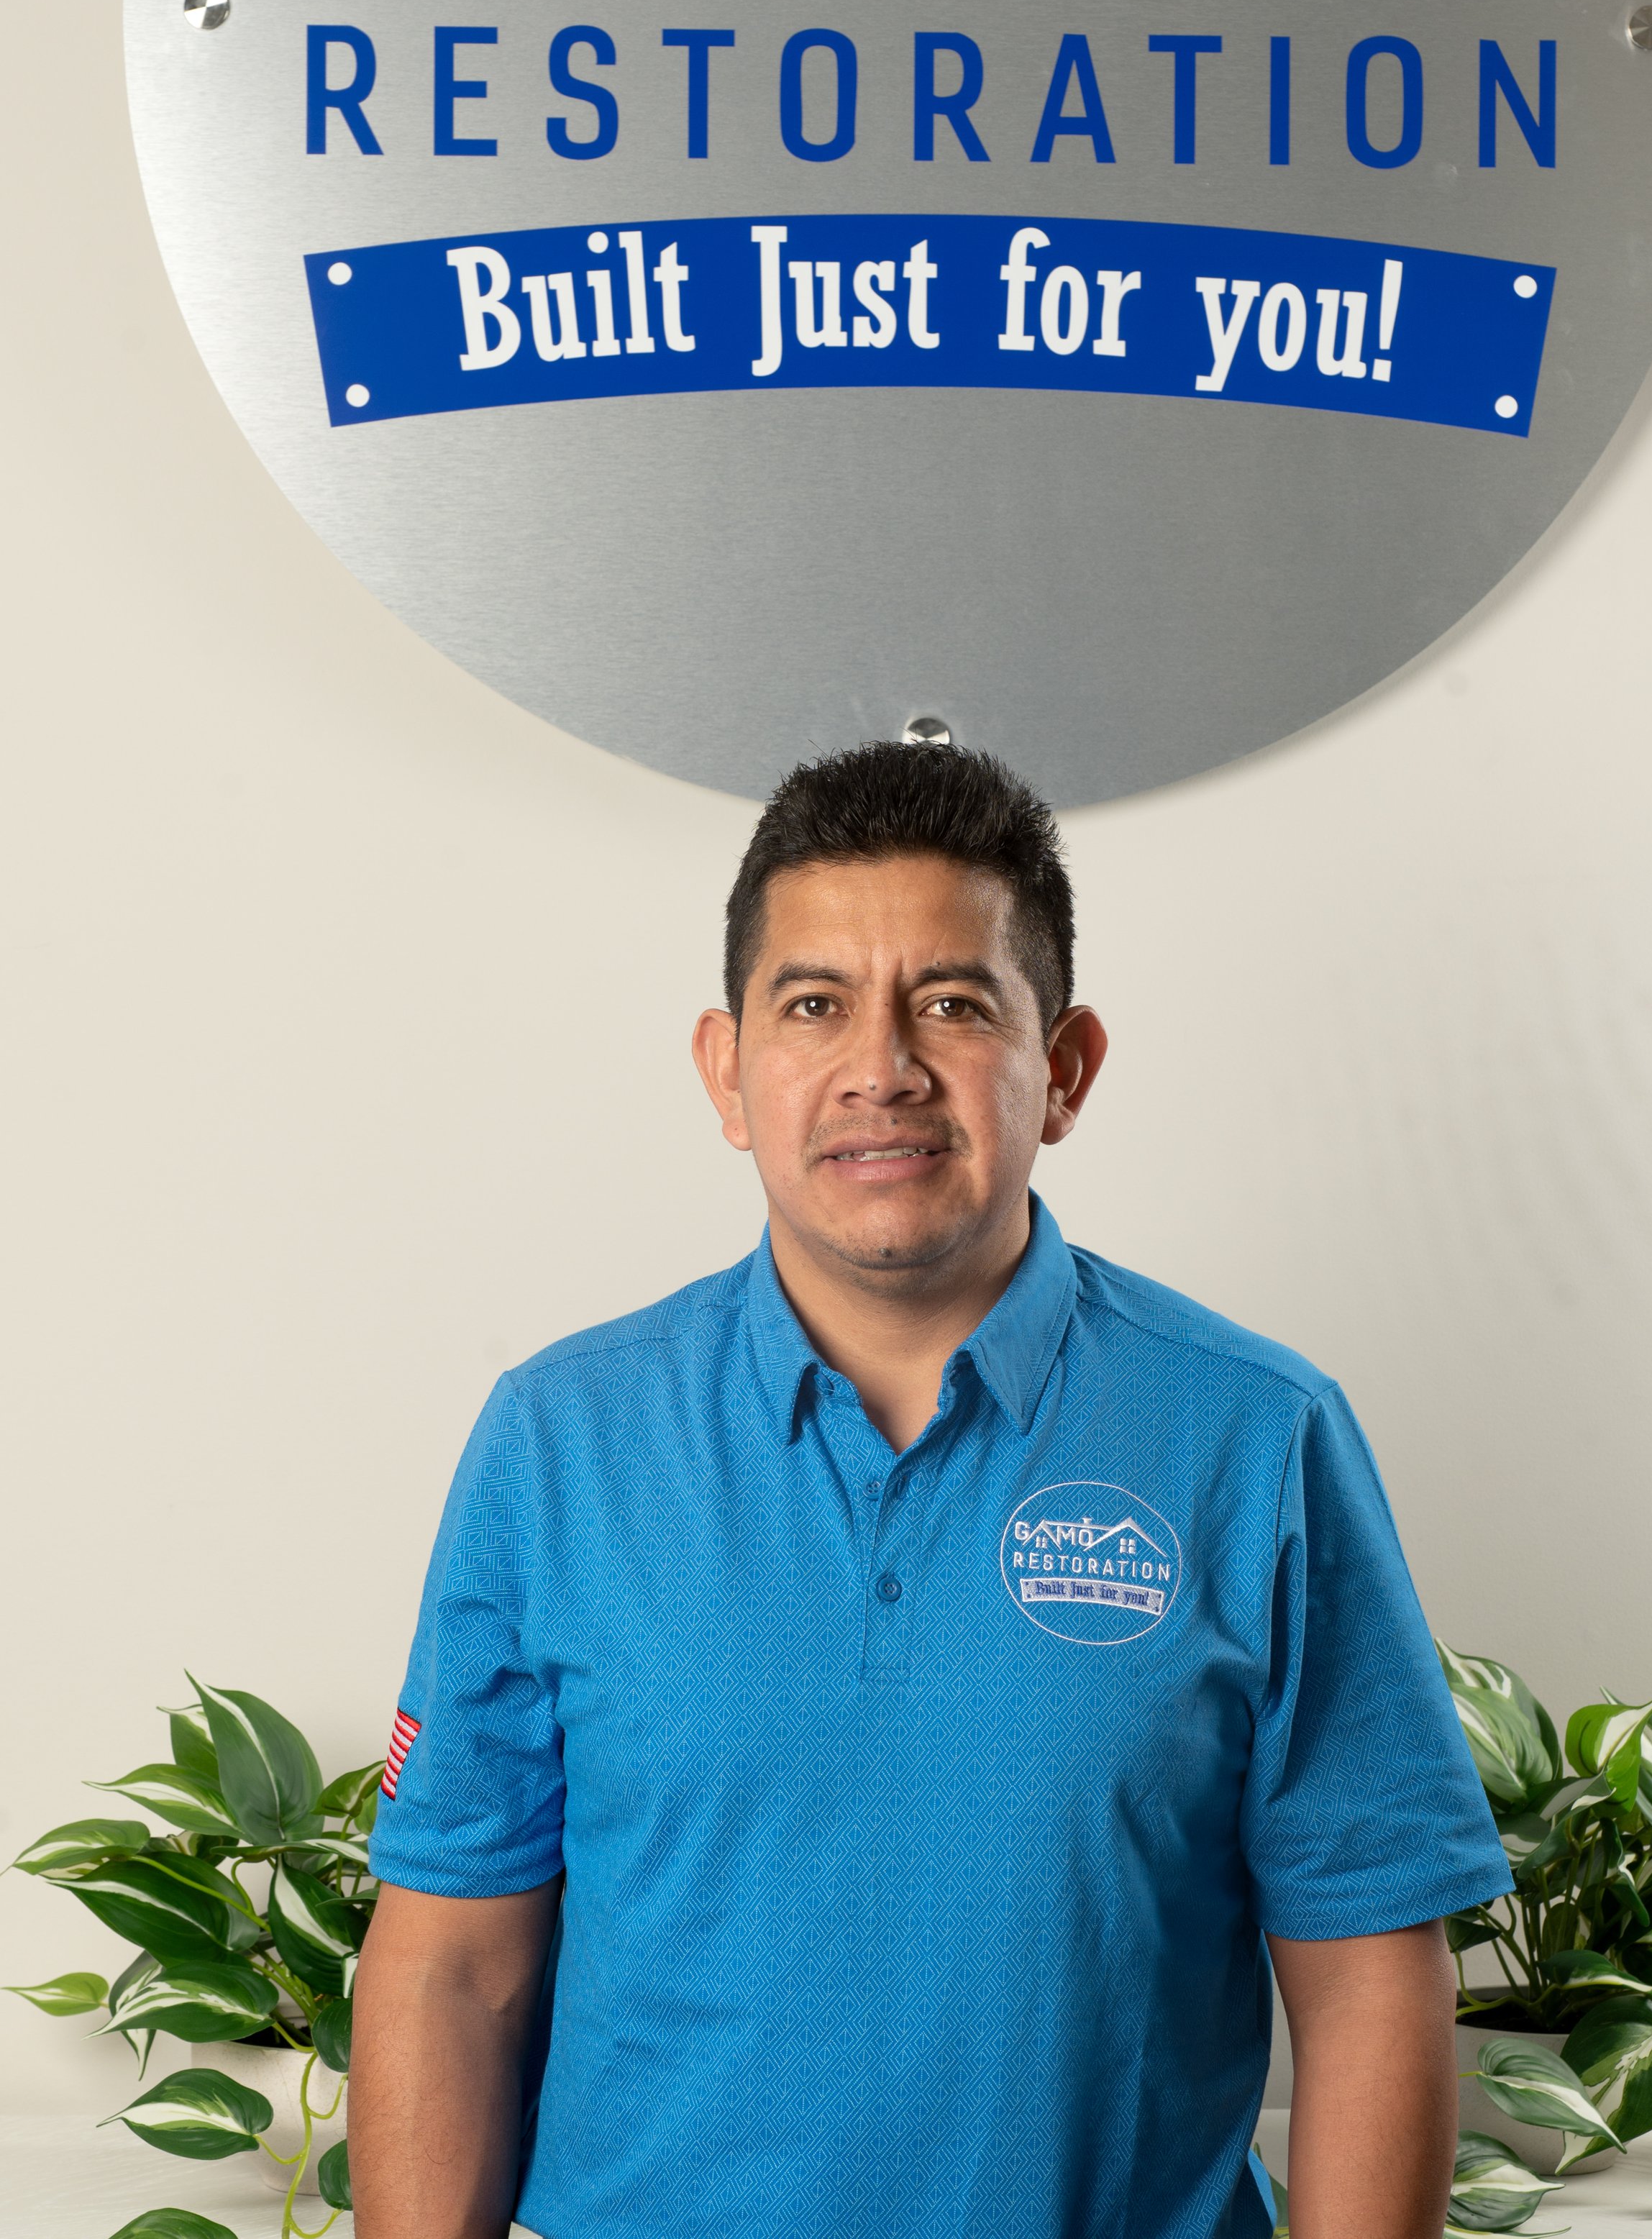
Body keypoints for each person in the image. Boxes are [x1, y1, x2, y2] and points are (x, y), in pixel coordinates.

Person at [351, 741, 1510, 2239]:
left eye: (952, 1005)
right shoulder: (556, 1443)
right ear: (727, 1069)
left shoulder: (1256, 1438)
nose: (877, 1067)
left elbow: (1363, 1972)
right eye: (813, 1004)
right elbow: (452, 1963)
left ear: (1066, 1068)